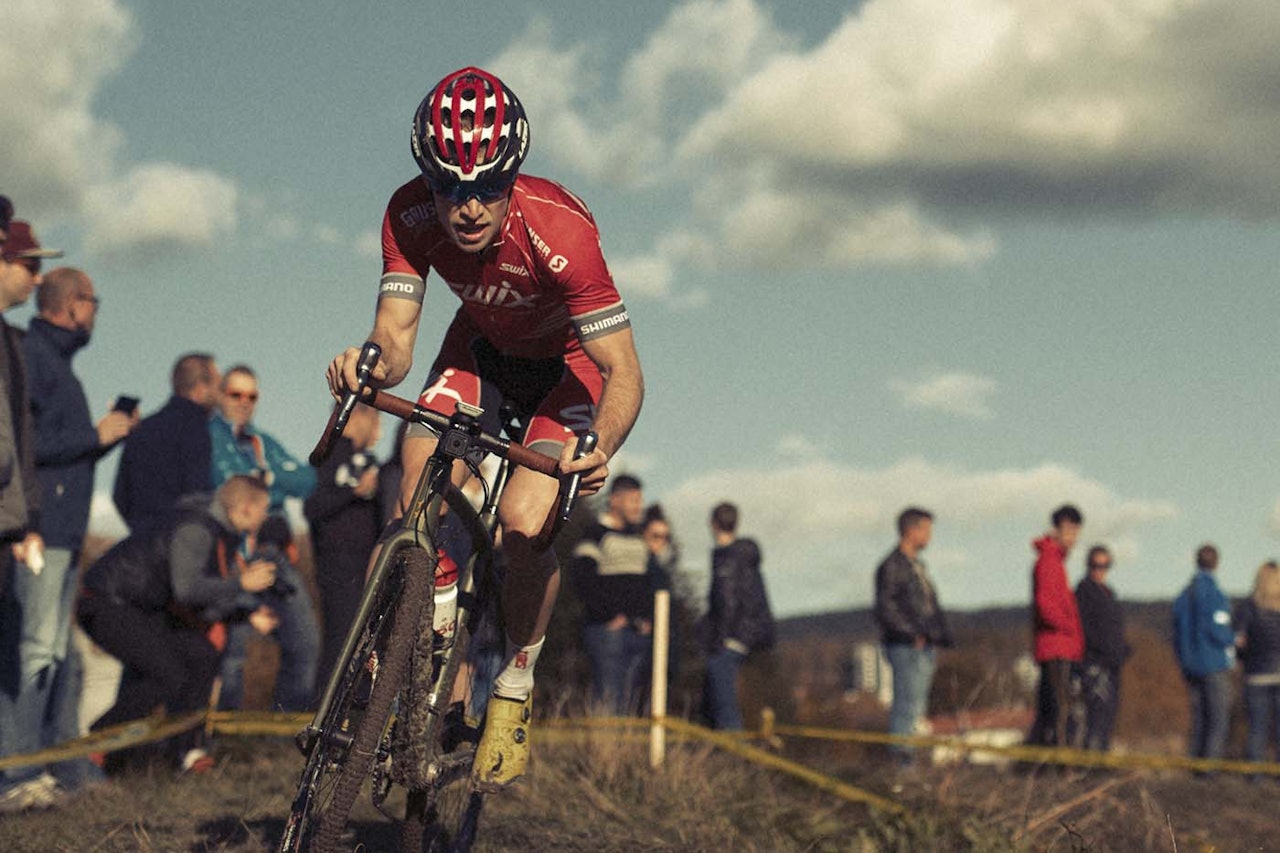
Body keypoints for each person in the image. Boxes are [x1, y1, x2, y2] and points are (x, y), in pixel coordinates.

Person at [326, 67, 643, 788]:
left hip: (566, 370)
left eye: (487, 187)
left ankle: (514, 683)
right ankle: (430, 655)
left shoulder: (562, 230)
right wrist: (368, 362)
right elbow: (397, 337)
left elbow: (624, 370)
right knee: (417, 483)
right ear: (426, 181)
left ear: (513, 173)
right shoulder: (407, 216)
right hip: (481, 352)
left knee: (524, 530)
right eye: (448, 187)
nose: (466, 208)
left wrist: (603, 443)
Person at [2, 267, 136, 802]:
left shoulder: (50, 360)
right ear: (73, 305)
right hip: (43, 532)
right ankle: (18, 775)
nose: (97, 311)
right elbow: (25, 447)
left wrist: (101, 440)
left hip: (59, 529)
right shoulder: (35, 356)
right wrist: (92, 435)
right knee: (35, 652)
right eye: (94, 300)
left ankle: (46, 769)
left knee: (51, 653)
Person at [76, 476, 279, 774]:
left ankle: (184, 752)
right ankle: (101, 740)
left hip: (137, 608)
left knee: (200, 653)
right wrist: (241, 584)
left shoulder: (216, 531)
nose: (266, 516)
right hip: (106, 602)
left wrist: (243, 614)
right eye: (264, 508)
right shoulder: (197, 529)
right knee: (167, 673)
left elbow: (194, 599)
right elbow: (187, 590)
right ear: (246, 508)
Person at [209, 364, 319, 712]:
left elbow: (306, 480)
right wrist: (272, 480)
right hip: (232, 559)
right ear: (219, 395)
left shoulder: (261, 441)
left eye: (252, 396)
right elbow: (228, 487)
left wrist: (263, 479)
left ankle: (281, 734)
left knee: (305, 642)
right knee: (232, 653)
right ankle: (223, 744)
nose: (244, 402)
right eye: (236, 394)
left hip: (274, 557)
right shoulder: (209, 436)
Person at [0, 219, 60, 812]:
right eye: (26, 262)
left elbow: (18, 439)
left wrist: (24, 519)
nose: (35, 276)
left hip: (10, 521)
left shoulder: (12, 343)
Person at [304, 403, 382, 696]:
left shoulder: (368, 460)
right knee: (341, 637)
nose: (377, 431)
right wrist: (352, 492)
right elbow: (312, 507)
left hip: (367, 562)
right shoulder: (327, 456)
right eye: (375, 420)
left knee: (363, 639)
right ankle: (321, 710)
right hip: (337, 563)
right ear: (358, 416)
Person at [873, 507, 952, 764]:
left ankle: (909, 766)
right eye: (926, 529)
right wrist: (913, 634)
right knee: (907, 709)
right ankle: (901, 769)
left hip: (922, 646)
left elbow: (927, 606)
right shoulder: (893, 566)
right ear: (911, 530)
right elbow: (886, 608)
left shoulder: (916, 567)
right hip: (907, 647)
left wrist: (939, 634)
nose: (930, 536)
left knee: (915, 711)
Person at [570, 474, 653, 714]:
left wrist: (645, 619)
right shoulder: (595, 534)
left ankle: (624, 751)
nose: (639, 506)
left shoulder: (638, 538)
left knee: (632, 704)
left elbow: (648, 583)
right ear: (615, 500)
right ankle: (604, 750)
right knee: (609, 700)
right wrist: (608, 616)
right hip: (607, 633)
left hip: (638, 633)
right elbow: (583, 580)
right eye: (633, 500)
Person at [112, 353, 220, 536]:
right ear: (201, 389)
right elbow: (198, 493)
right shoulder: (195, 428)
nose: (220, 394)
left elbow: (120, 495)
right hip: (181, 541)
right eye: (218, 386)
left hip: (141, 544)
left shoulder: (142, 429)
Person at [702, 502, 774, 731]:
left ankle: (731, 752)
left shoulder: (728, 559)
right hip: (749, 634)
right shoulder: (745, 557)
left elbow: (727, 602)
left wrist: (720, 639)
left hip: (734, 636)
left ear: (713, 524)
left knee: (724, 701)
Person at [1172, 543, 1235, 766]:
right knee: (1218, 718)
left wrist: (1183, 659)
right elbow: (1218, 629)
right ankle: (1209, 768)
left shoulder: (1184, 595)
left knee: (1199, 718)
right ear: (1216, 563)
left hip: (1190, 665)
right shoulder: (1215, 594)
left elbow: (1177, 631)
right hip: (1214, 664)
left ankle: (1195, 765)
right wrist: (1234, 639)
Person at [1027, 504, 1084, 748]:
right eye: (1068, 531)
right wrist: (1069, 627)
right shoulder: (1049, 561)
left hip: (1062, 645)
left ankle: (1043, 762)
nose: (1073, 538)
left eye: (1076, 532)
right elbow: (1045, 604)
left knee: (1052, 708)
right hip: (1056, 646)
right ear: (1056, 530)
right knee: (1059, 709)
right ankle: (1054, 763)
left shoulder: (1056, 561)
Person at [1074, 545, 1131, 752]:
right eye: (1096, 565)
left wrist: (1123, 649)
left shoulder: (1108, 593)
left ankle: (1101, 758)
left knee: (1108, 714)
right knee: (1096, 715)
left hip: (1112, 664)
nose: (1100, 569)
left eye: (1105, 565)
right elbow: (1086, 629)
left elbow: (1113, 629)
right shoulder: (1083, 592)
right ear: (1088, 565)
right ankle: (1092, 762)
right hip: (1094, 664)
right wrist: (1106, 651)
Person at [1234, 561, 1280, 769]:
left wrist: (1244, 659)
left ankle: (1255, 774)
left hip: (1255, 675)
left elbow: (1239, 641)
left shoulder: (1248, 608)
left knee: (1257, 727)